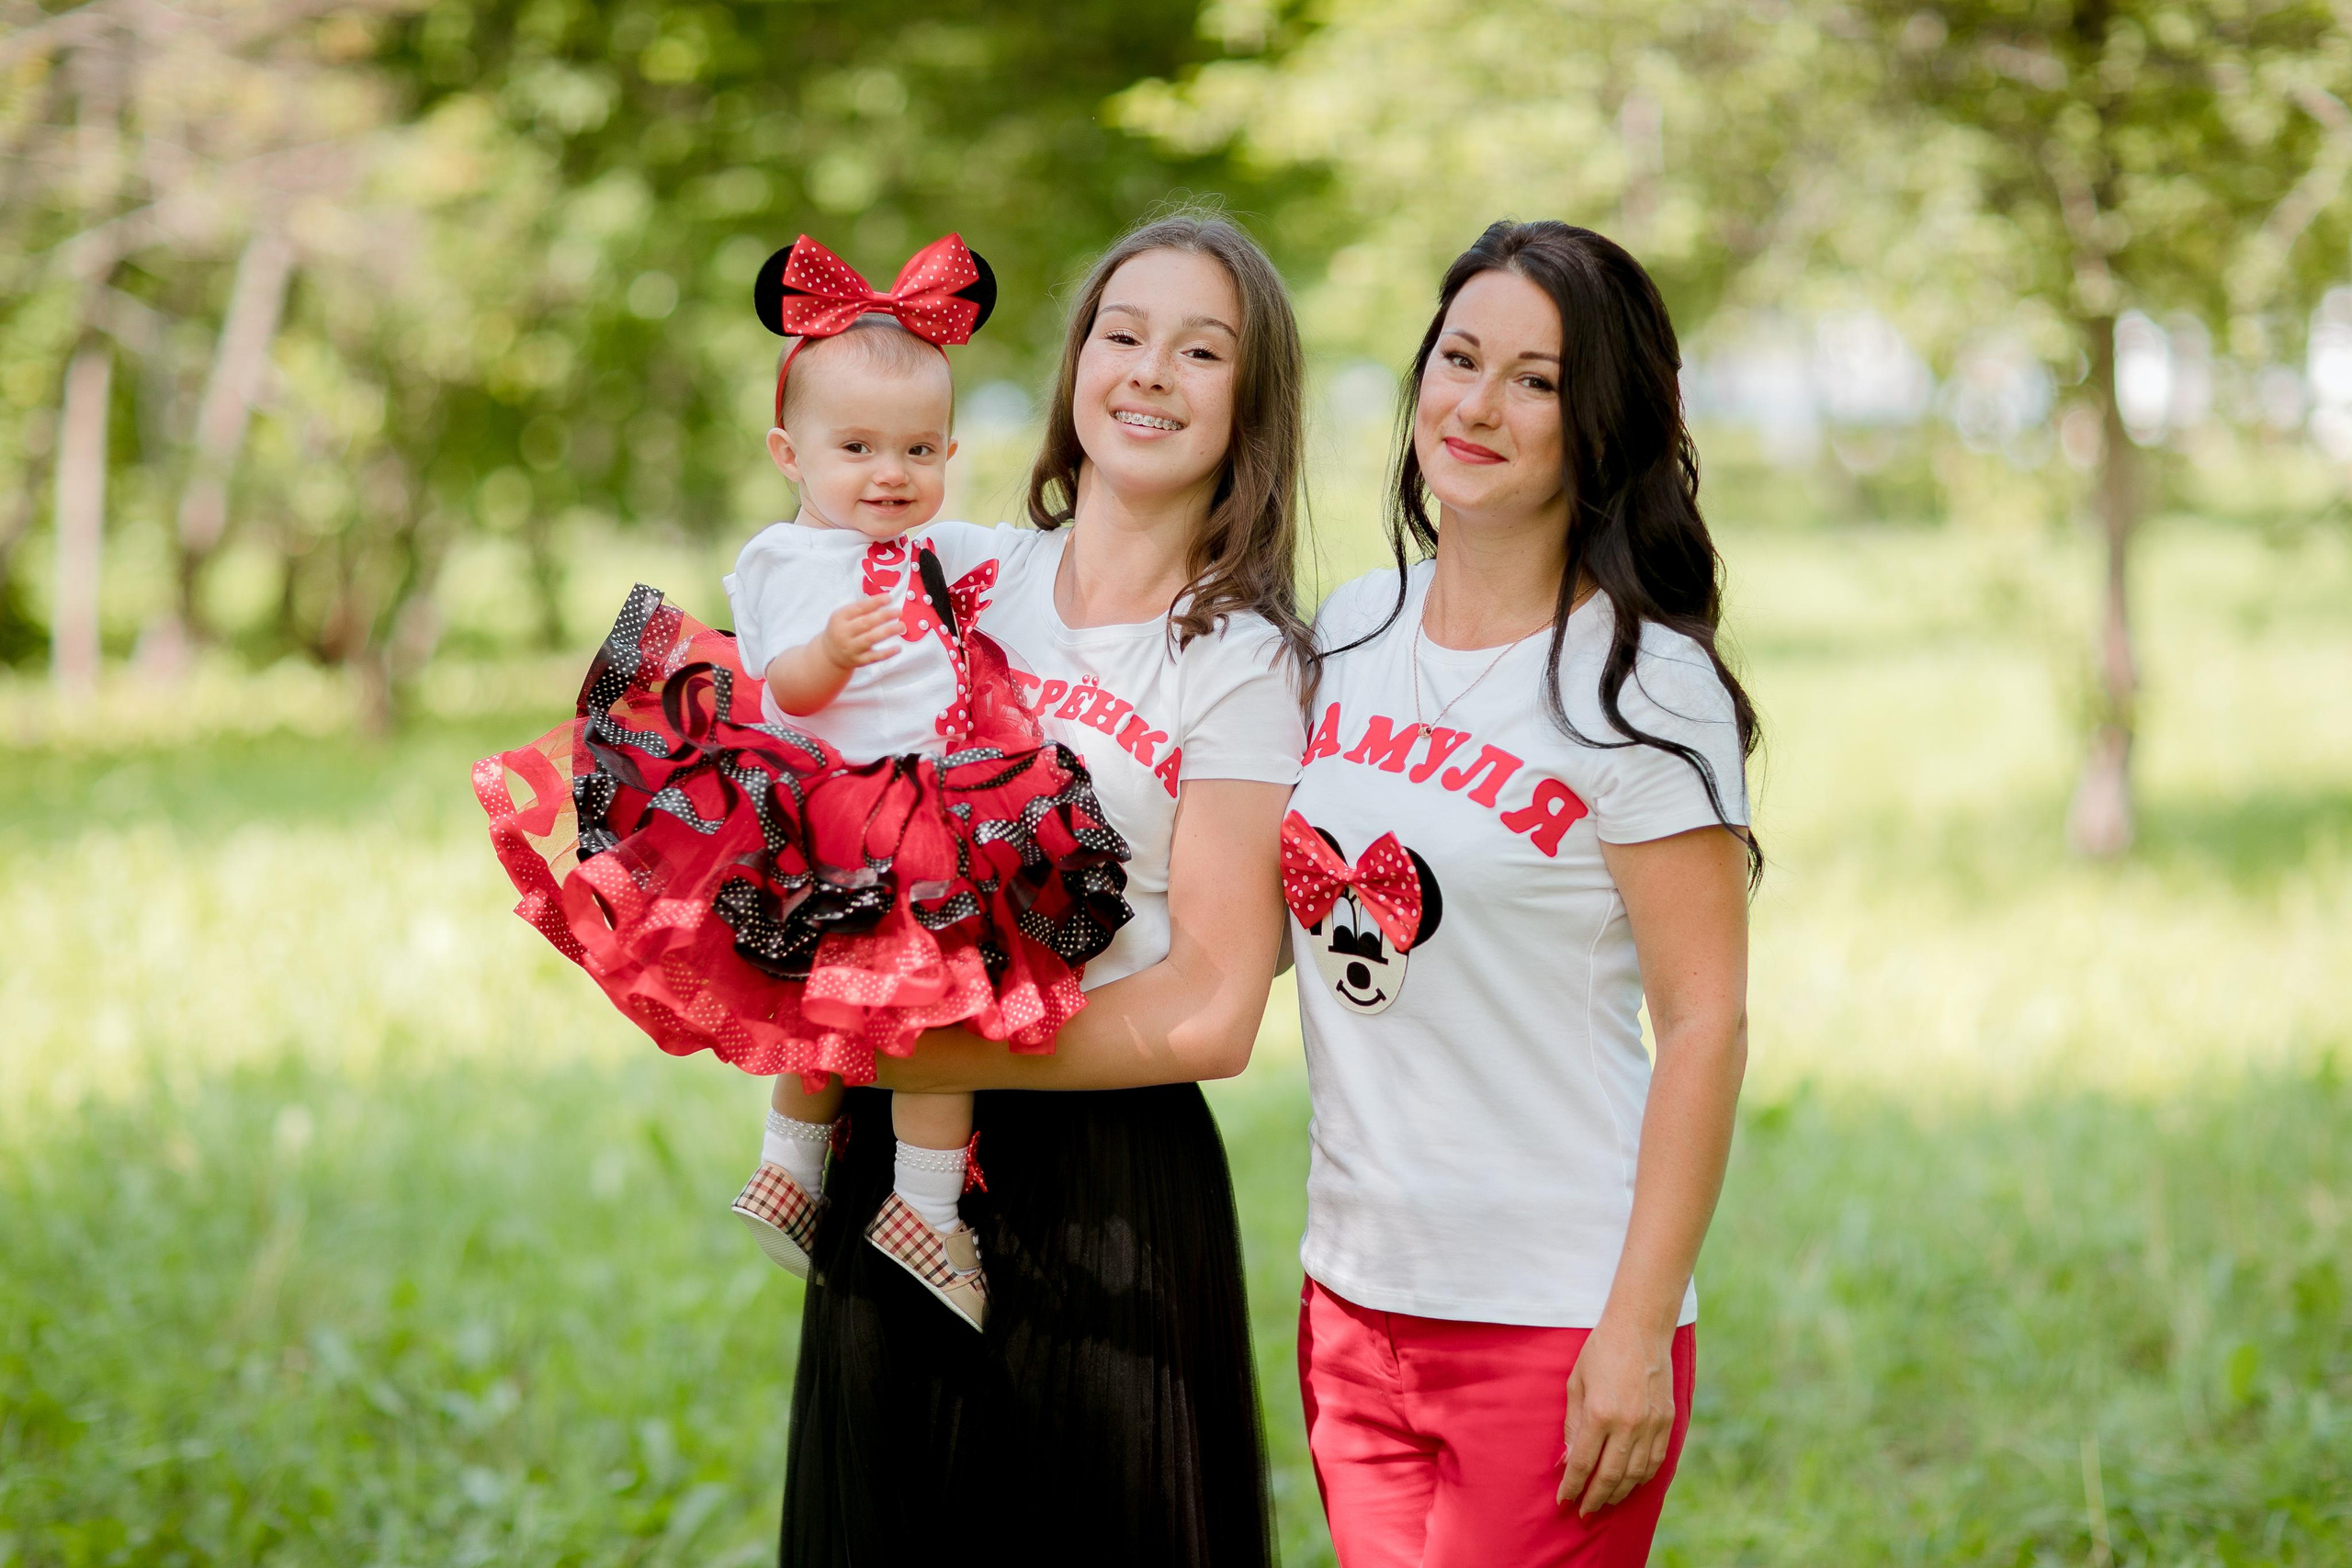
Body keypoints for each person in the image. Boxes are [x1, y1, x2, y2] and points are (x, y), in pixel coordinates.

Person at [475, 232, 1134, 1332]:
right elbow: (783, 688)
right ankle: (878, 1193)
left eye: (918, 450)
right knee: (919, 1008)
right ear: (790, 453)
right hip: (846, 805)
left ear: (950, 452)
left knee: (875, 1004)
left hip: (926, 800)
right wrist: (831, 650)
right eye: (857, 448)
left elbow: (1030, 564)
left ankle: (820, 1184)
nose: (890, 474)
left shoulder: (932, 544)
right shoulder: (787, 558)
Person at [777, 210, 1308, 1568]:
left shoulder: (1240, 659)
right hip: (894, 1157)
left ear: (1250, 405)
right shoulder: (960, 569)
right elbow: (793, 722)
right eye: (1123, 334)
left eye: (1202, 350)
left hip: (1107, 1178)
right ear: (1076, 364)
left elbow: (1214, 1010)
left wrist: (909, 1044)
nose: (1150, 371)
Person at [1285, 220, 1758, 1567]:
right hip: (1352, 1295)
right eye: (1459, 359)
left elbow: (1706, 1023)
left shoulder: (1643, 685)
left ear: (1600, 422)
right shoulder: (1349, 630)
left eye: (1536, 380)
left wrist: (1636, 1326)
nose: (1477, 405)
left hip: (1551, 1313)